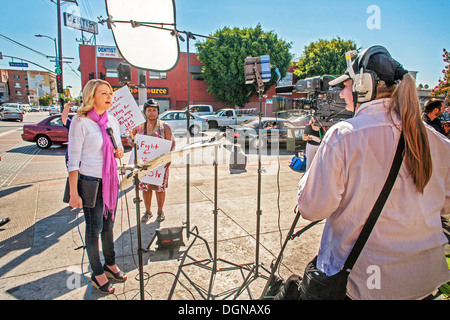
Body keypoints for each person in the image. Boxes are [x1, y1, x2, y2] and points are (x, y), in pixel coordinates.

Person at [297, 45, 450, 300]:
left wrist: (313, 149)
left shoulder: (344, 136)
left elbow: (311, 208)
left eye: (345, 85)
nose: (341, 93)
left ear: (363, 86)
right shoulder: (436, 140)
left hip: (362, 287)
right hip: (422, 284)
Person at [67, 79, 126, 294]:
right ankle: (97, 271)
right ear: (92, 96)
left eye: (110, 93)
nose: (109, 97)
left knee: (109, 227)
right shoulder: (80, 122)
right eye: (104, 93)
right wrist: (74, 193)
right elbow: (73, 160)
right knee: (94, 230)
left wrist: (119, 151)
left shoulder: (113, 120)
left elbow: (116, 147)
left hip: (110, 181)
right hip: (90, 182)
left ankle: (110, 264)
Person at [131, 99, 175, 223]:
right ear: (145, 112)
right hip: (144, 164)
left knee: (160, 188)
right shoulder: (139, 127)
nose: (151, 113)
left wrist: (168, 158)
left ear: (158, 112)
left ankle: (160, 211)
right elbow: (131, 139)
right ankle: (148, 211)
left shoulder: (164, 126)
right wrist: (131, 142)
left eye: (154, 110)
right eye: (149, 110)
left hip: (160, 164)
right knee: (146, 188)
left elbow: (172, 142)